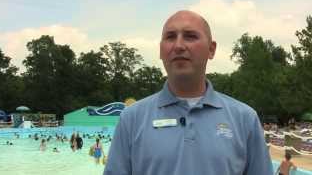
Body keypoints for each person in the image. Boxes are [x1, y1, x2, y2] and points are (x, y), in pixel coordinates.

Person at [103, 10, 273, 175]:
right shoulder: (132, 119)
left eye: (190, 36)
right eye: (170, 37)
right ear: (161, 50)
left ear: (211, 49)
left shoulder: (244, 119)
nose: (178, 45)